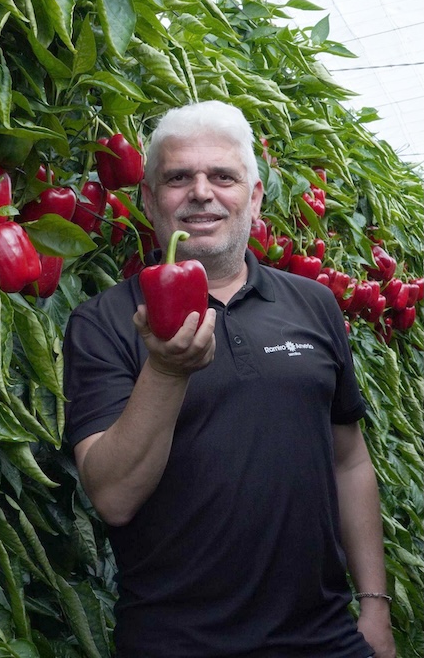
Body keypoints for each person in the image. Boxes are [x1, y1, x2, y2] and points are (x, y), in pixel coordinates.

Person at [64, 100, 396, 658]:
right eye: (177, 178)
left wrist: (374, 606)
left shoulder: (314, 305)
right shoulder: (102, 322)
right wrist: (167, 370)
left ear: (255, 196)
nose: (201, 192)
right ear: (148, 199)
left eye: (223, 176)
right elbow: (114, 497)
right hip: (176, 644)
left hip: (325, 639)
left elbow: (350, 460)